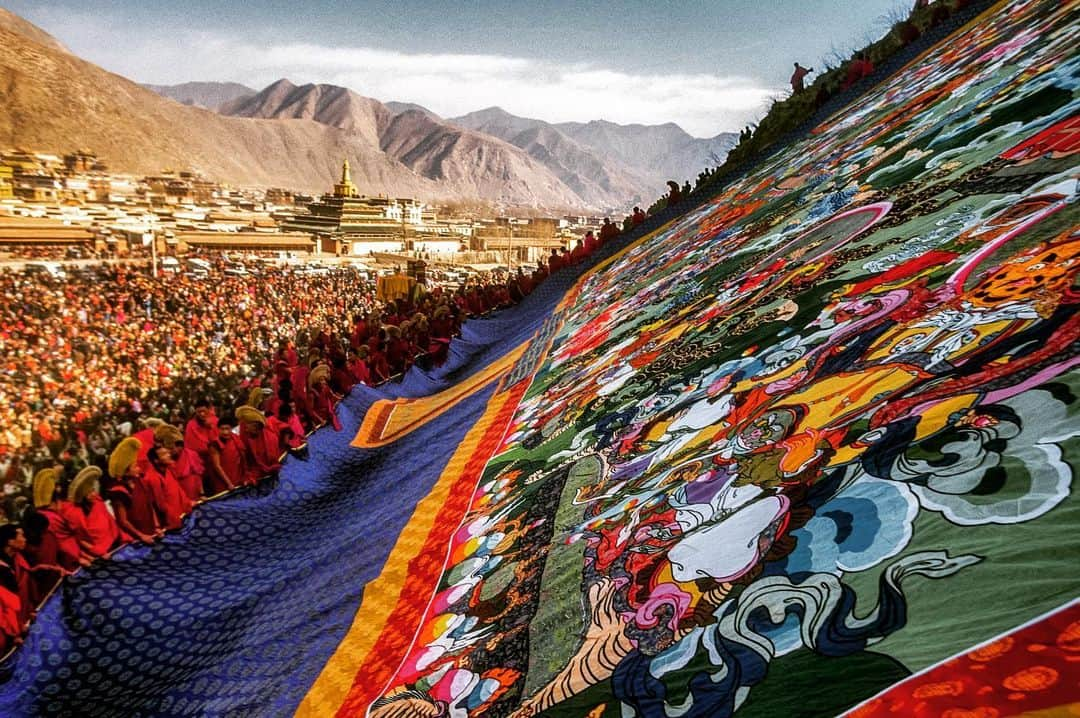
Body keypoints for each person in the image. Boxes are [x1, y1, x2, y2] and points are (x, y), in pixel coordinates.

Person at [106, 437, 160, 544]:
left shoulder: (140, 481)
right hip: (135, 538)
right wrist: (141, 536)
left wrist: (157, 526)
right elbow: (123, 521)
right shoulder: (118, 492)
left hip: (151, 531)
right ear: (125, 472)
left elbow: (150, 505)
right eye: (135, 467)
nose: (138, 469)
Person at [68, 466, 120, 557]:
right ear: (83, 496)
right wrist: (99, 552)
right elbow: (81, 540)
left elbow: (110, 520)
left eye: (93, 490)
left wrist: (120, 537)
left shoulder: (98, 502)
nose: (94, 494)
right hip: (97, 552)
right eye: (89, 493)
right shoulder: (76, 514)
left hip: (114, 544)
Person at [205, 412, 243, 495]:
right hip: (223, 481)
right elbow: (217, 466)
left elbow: (242, 458)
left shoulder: (236, 439)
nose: (225, 432)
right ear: (218, 429)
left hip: (237, 477)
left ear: (231, 429)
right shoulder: (215, 444)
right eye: (222, 429)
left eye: (227, 429)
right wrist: (228, 483)